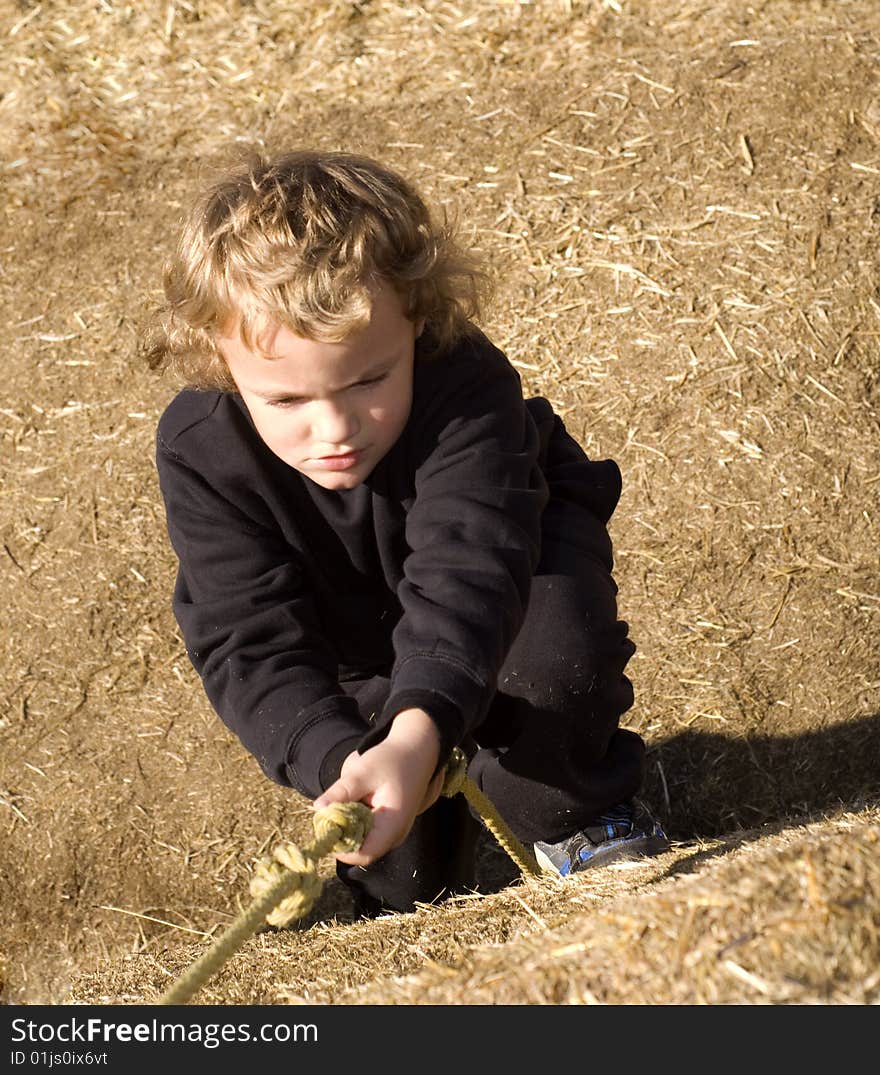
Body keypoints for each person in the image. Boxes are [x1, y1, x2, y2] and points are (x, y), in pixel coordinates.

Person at [146, 149, 669, 918]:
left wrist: (421, 722)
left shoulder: (466, 385)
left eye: (367, 379)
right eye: (286, 398)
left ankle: (577, 817)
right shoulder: (199, 449)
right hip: (356, 633)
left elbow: (473, 565)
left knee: (550, 671)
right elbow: (246, 636)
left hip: (514, 571)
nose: (334, 428)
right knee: (403, 867)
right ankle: (403, 871)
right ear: (217, 361)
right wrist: (342, 754)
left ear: (418, 320)